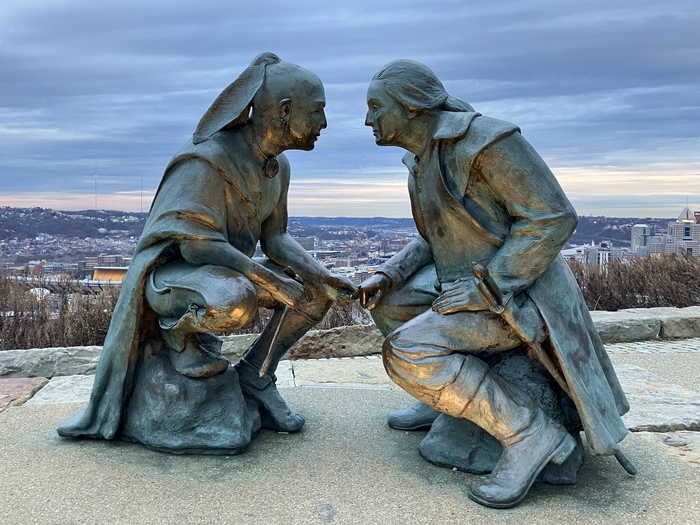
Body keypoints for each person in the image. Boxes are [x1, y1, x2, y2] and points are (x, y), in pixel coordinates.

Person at [358, 59, 630, 508]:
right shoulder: (421, 158)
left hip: (520, 295)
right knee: (389, 305)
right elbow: (436, 235)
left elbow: (553, 216)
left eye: (375, 106)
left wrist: (495, 285)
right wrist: (388, 275)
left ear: (411, 107)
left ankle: (530, 435)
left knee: (406, 351)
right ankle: (446, 398)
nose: (368, 119)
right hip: (464, 282)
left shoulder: (486, 142)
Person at [58, 52, 357, 441]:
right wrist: (270, 280)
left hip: (229, 273)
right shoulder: (208, 159)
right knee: (238, 299)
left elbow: (276, 238)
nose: (323, 123)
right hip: (173, 282)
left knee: (317, 293)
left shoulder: (279, 167)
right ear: (285, 111)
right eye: (317, 112)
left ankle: (257, 375)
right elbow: (198, 248)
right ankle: (177, 336)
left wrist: (324, 276)